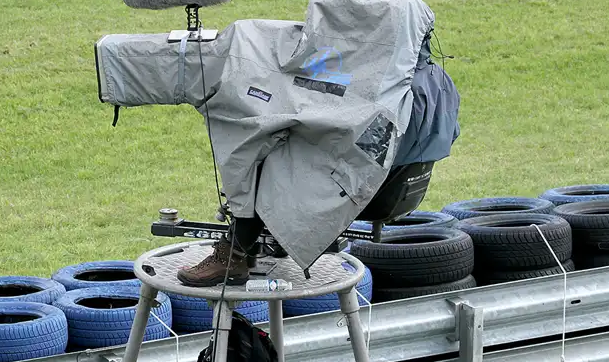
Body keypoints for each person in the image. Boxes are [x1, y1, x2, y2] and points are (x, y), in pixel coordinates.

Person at [177, 33, 461, 287]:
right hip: (400, 188)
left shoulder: (396, 93)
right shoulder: (439, 80)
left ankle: (233, 254)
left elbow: (366, 146)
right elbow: (451, 133)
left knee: (260, 157)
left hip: (366, 188)